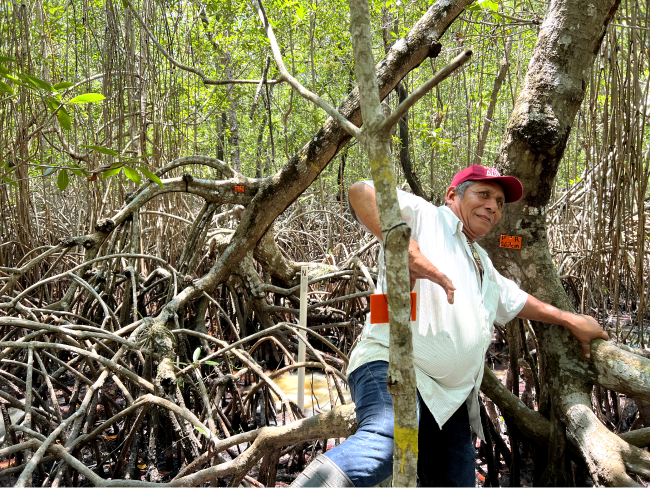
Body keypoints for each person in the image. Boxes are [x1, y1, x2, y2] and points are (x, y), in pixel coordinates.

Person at [290, 165, 608, 488]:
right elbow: (361, 191)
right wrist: (408, 250)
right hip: (391, 364)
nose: (493, 207)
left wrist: (572, 320)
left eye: (499, 202)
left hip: (450, 401)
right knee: (386, 443)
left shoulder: (482, 262)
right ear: (453, 195)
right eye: (483, 194)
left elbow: (518, 300)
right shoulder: (426, 217)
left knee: (458, 480)